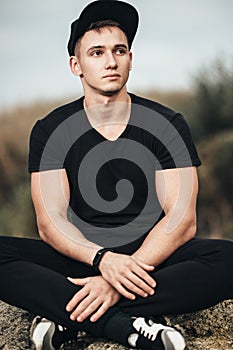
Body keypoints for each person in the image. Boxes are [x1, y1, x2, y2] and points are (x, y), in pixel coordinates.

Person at [0, 1, 232, 349]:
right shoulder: (51, 129)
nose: (111, 61)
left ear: (130, 59)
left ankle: (68, 313)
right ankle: (126, 326)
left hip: (152, 258)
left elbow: (182, 220)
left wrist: (119, 275)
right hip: (81, 256)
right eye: (97, 52)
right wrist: (102, 261)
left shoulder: (166, 123)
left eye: (119, 50)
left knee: (227, 259)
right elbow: (51, 222)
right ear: (75, 65)